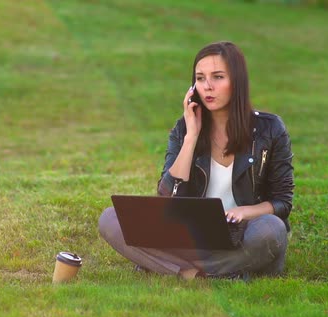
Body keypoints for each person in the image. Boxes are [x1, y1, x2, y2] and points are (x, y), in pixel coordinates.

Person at [98, 41, 294, 280]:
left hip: (242, 234)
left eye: (218, 77)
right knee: (111, 218)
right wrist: (191, 137)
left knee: (272, 230)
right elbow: (166, 196)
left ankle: (171, 267)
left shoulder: (270, 129)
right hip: (191, 236)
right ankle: (206, 272)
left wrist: (244, 211)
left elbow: (282, 202)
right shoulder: (184, 129)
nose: (208, 86)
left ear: (237, 81)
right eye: (200, 78)